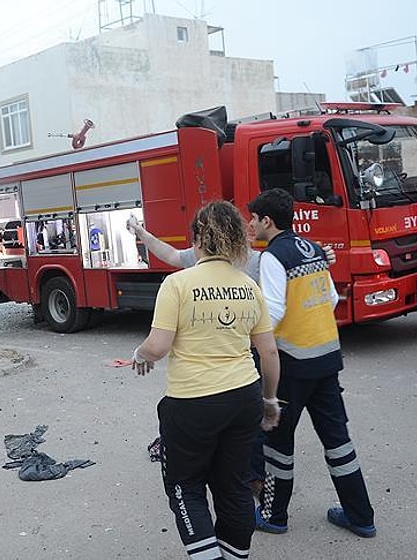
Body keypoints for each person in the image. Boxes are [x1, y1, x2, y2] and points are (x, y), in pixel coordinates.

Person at [131, 201, 281, 560]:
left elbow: (157, 346)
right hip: (244, 398)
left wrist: (139, 356)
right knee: (233, 487)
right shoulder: (248, 285)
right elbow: (270, 353)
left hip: (192, 404)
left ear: (196, 238)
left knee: (185, 487)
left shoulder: (178, 284)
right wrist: (270, 401)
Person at [247, 188, 376, 538]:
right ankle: (360, 516)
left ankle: (274, 516)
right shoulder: (312, 249)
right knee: (338, 440)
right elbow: (331, 297)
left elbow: (273, 311)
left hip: (292, 367)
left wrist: (249, 340)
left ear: (267, 221)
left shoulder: (273, 256)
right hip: (327, 360)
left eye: (254, 219)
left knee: (277, 446)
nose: (251, 224)